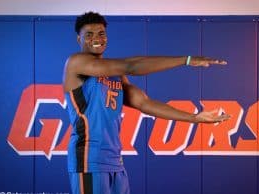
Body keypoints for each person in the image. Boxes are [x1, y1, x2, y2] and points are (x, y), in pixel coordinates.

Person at [63, 11, 230, 194]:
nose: (96, 38)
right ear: (78, 39)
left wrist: (194, 118)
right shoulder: (75, 63)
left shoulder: (114, 73)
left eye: (101, 33)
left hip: (114, 161)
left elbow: (144, 103)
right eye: (89, 34)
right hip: (89, 159)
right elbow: (131, 65)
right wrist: (186, 60)